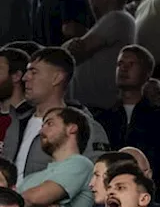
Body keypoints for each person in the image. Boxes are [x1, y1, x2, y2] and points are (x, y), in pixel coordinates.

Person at [97, 45, 160, 203]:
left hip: (152, 199)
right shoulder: (104, 117)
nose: (123, 68)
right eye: (120, 64)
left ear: (147, 73)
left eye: (131, 64)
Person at [6, 46, 108, 183]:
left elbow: (97, 180)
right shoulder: (16, 121)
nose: (25, 78)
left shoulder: (85, 127)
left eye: (33, 72)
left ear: (57, 78)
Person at [16, 106, 94, 207]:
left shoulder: (81, 164)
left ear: (72, 129)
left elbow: (33, 198)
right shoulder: (30, 178)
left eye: (49, 123)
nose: (41, 131)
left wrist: (28, 205)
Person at [66, 0, 136, 113]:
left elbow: (77, 51)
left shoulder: (117, 18)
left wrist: (72, 45)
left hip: (98, 109)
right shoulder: (111, 20)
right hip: (92, 107)